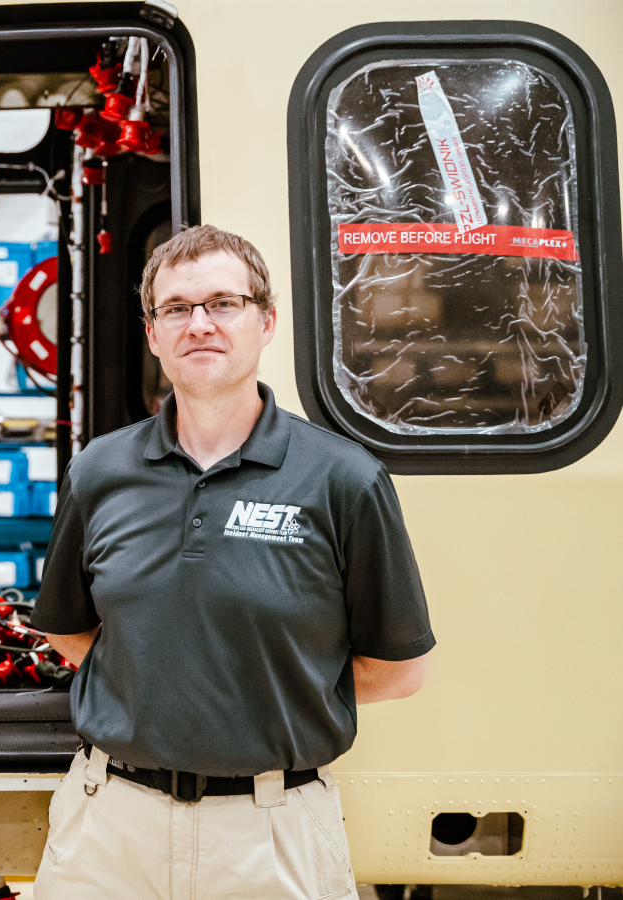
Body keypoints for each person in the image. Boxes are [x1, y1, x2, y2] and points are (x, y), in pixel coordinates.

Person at [30, 224, 434, 900]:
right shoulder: (99, 471)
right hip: (109, 827)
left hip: (271, 835)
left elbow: (398, 670)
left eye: (224, 303)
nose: (201, 325)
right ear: (153, 333)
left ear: (266, 320)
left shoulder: (344, 480)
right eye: (177, 309)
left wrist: (260, 698)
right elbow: (70, 631)